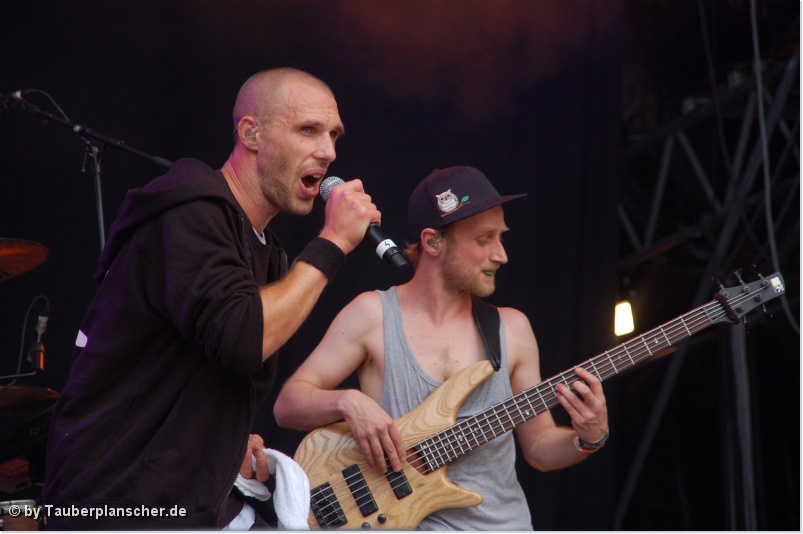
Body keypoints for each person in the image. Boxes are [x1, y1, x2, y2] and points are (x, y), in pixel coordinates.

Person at [42, 67, 380, 529]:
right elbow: (244, 339)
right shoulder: (191, 213)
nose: (328, 151)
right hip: (120, 501)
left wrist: (227, 441)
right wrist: (334, 241)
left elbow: (210, 367)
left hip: (189, 499)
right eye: (308, 130)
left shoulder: (264, 248)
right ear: (251, 133)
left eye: (334, 134)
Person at [273, 166, 610, 530]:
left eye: (501, 238)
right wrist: (348, 402)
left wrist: (588, 438)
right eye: (484, 239)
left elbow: (540, 447)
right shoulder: (372, 316)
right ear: (433, 242)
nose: (501, 255)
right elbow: (288, 405)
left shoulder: (513, 329)